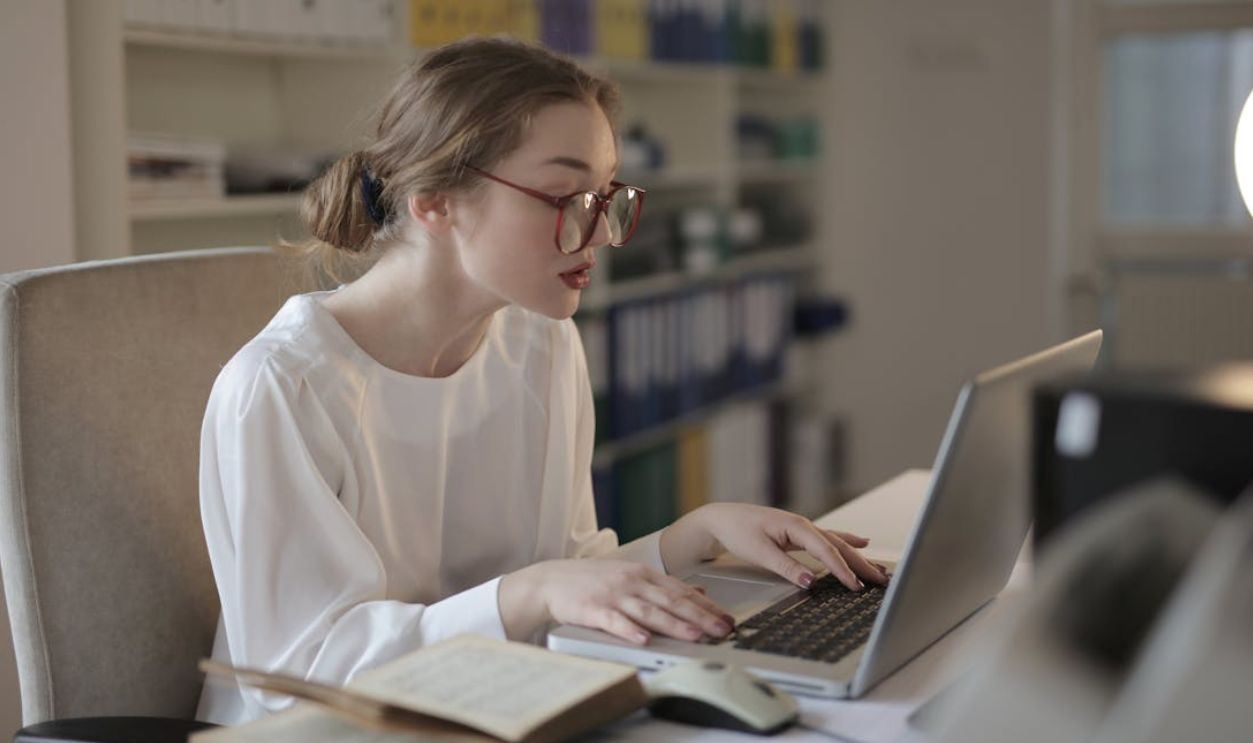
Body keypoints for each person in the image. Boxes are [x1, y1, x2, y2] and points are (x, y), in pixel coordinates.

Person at [196, 37, 887, 725]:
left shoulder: (540, 340)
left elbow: (567, 571)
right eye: (563, 195)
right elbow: (292, 677)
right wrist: (532, 591)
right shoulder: (283, 386)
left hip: (492, 709)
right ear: (434, 202)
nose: (599, 234)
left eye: (604, 196)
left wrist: (697, 536)